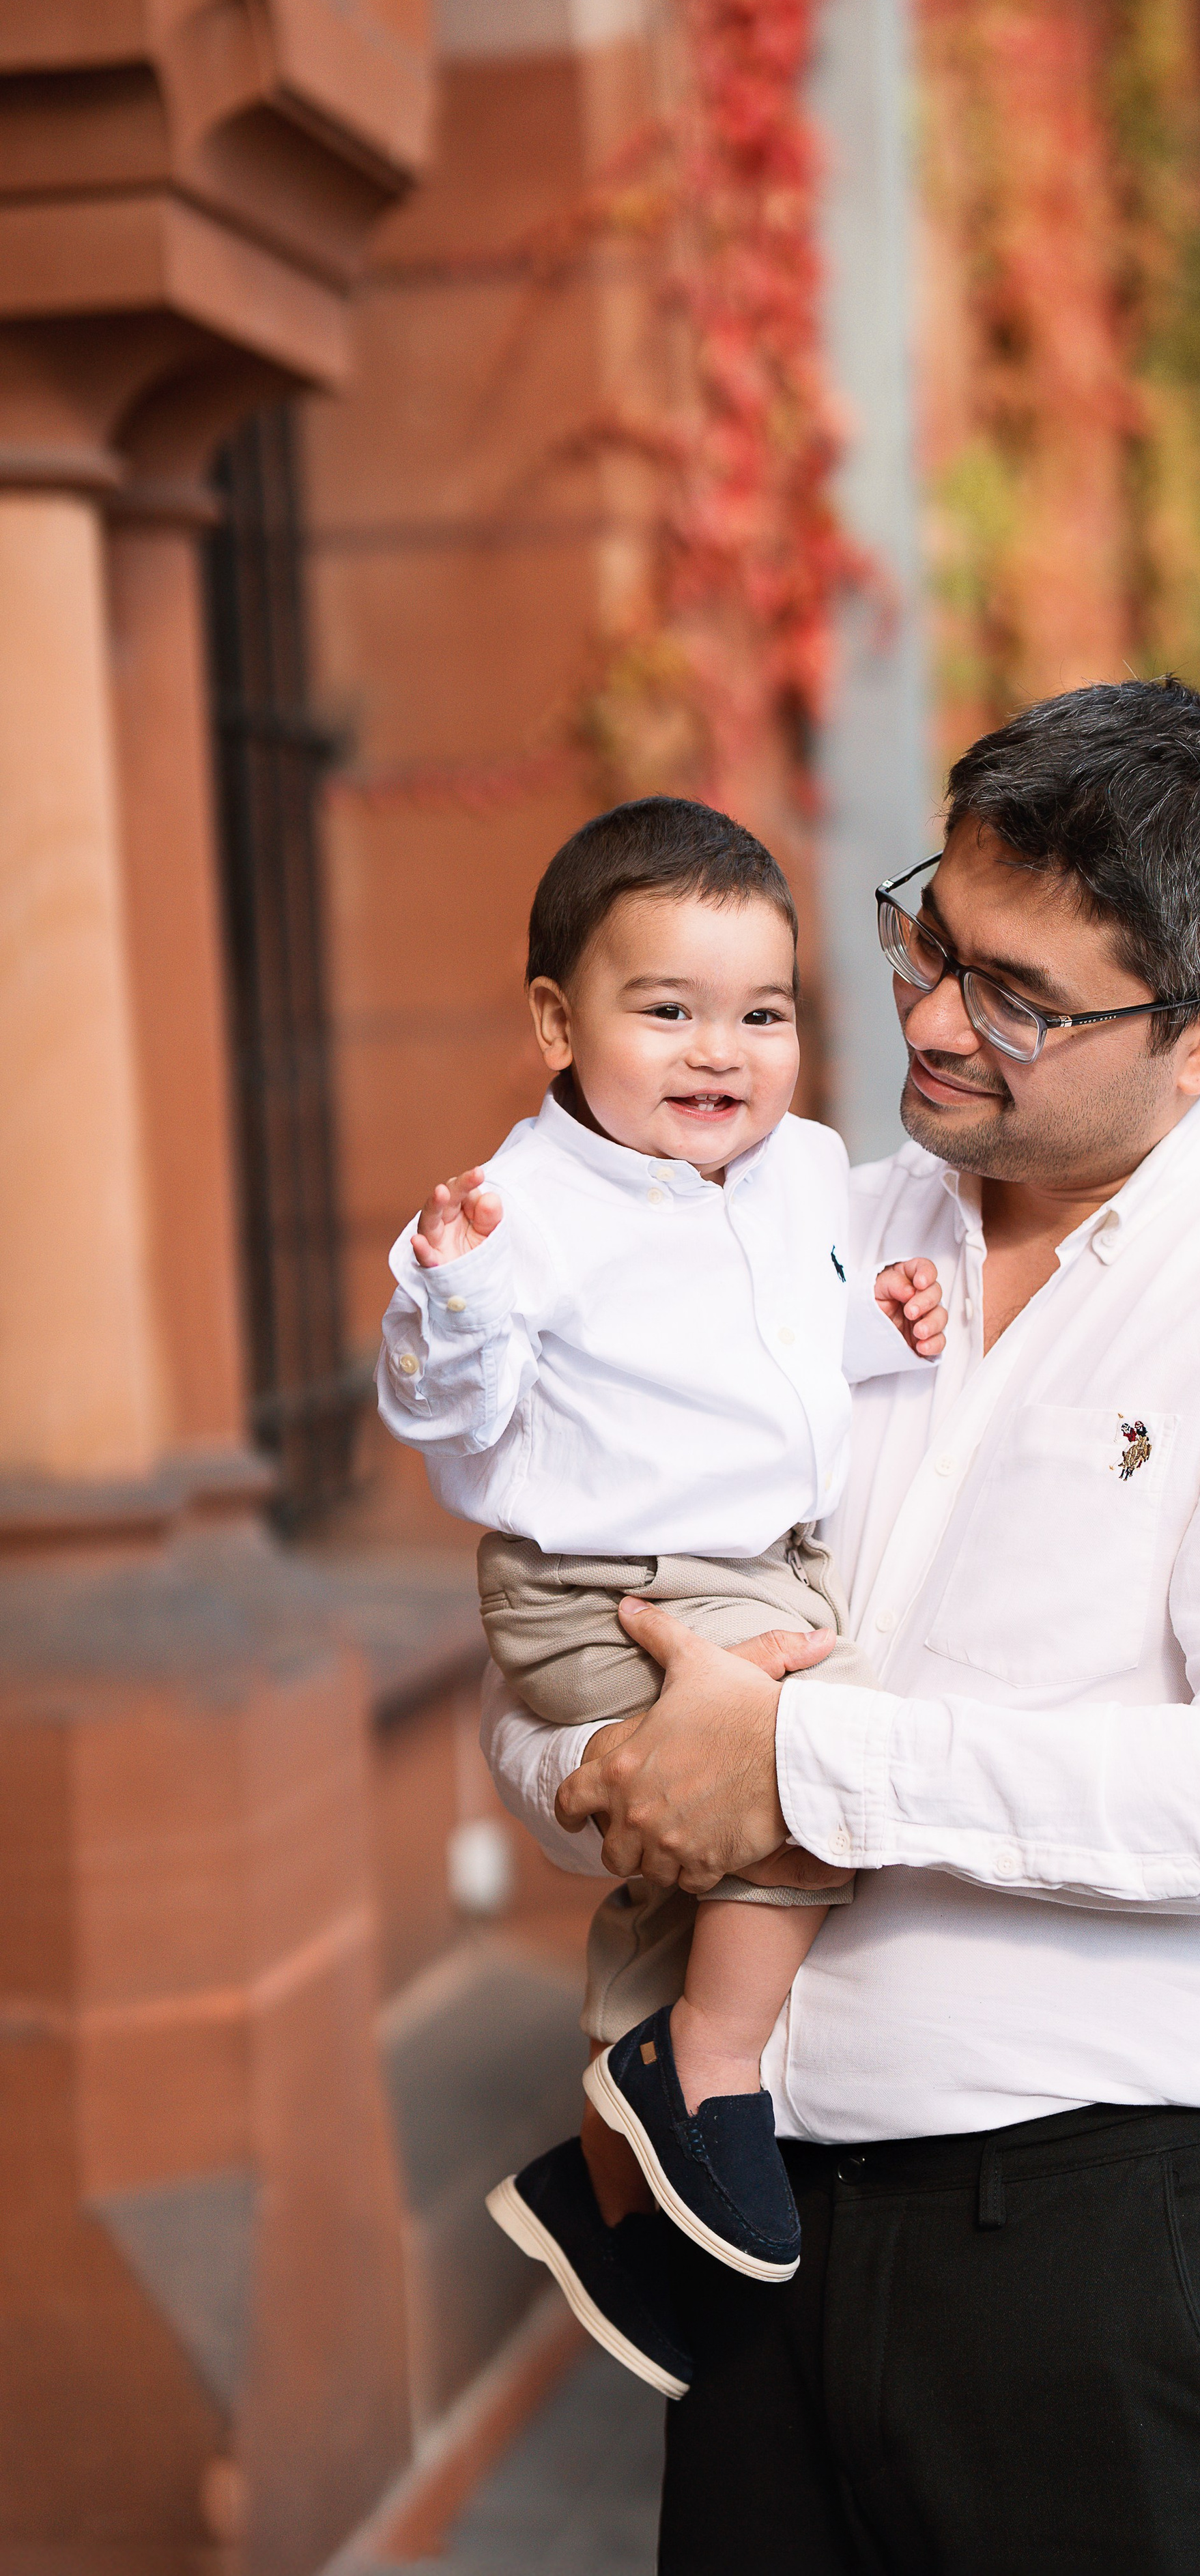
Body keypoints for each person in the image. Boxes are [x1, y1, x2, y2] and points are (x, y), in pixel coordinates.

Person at [487, 678, 1200, 2576]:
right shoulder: (798, 1231)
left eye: (1022, 996)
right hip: (767, 2236)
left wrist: (791, 1760)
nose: (937, 1018)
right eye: (930, 940)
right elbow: (584, 1637)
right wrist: (598, 1770)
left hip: (1127, 2271)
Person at [377, 798, 945, 2398]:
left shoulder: (803, 1172)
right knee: (804, 1766)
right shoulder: (520, 1208)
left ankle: (605, 2179)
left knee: (686, 1881)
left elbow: (774, 1355)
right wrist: (451, 1286)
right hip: (598, 1590)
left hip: (752, 1562)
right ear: (559, 1018)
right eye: (667, 1011)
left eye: (760, 1013)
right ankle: (709, 2066)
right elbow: (443, 1410)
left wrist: (881, 1321)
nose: (723, 1054)